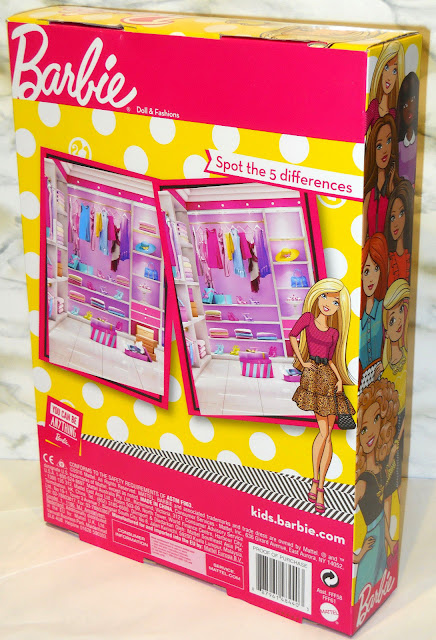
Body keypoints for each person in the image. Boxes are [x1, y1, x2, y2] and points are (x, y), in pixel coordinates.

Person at [289, 278, 355, 514]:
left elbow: (331, 359)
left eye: (336, 302)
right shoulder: (308, 319)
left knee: (328, 435)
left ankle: (318, 484)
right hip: (313, 378)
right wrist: (302, 361)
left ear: (339, 308)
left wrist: (339, 379)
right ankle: (317, 485)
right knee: (325, 432)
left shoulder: (334, 333)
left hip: (329, 379)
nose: (329, 303)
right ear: (318, 296)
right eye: (326, 296)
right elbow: (293, 335)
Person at [354, 378, 399, 603]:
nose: (370, 431)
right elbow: (336, 523)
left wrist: (389, 539)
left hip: (381, 538)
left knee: (379, 579)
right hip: (371, 541)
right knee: (366, 583)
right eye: (363, 429)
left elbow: (386, 495)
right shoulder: (361, 482)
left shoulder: (380, 468)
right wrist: (359, 555)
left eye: (376, 419)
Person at [363, 114, 401, 239]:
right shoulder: (369, 195)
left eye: (389, 141)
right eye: (379, 146)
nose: (384, 150)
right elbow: (362, 236)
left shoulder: (395, 190)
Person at [359, 233, 389, 390]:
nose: (371, 278)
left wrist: (385, 362)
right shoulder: (358, 318)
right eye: (366, 271)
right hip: (362, 382)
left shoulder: (384, 308)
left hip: (382, 379)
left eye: (376, 269)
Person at [366, 41, 404, 133]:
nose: (388, 77)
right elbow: (361, 130)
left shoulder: (394, 113)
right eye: (386, 67)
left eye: (394, 71)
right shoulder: (374, 106)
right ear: (381, 69)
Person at [384, 180, 414, 286]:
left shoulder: (410, 257)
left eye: (401, 213)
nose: (395, 223)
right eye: (392, 217)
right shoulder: (388, 260)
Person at [397, 72, 419, 185]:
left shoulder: (418, 141)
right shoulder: (399, 145)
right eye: (405, 106)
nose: (409, 109)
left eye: (413, 101)